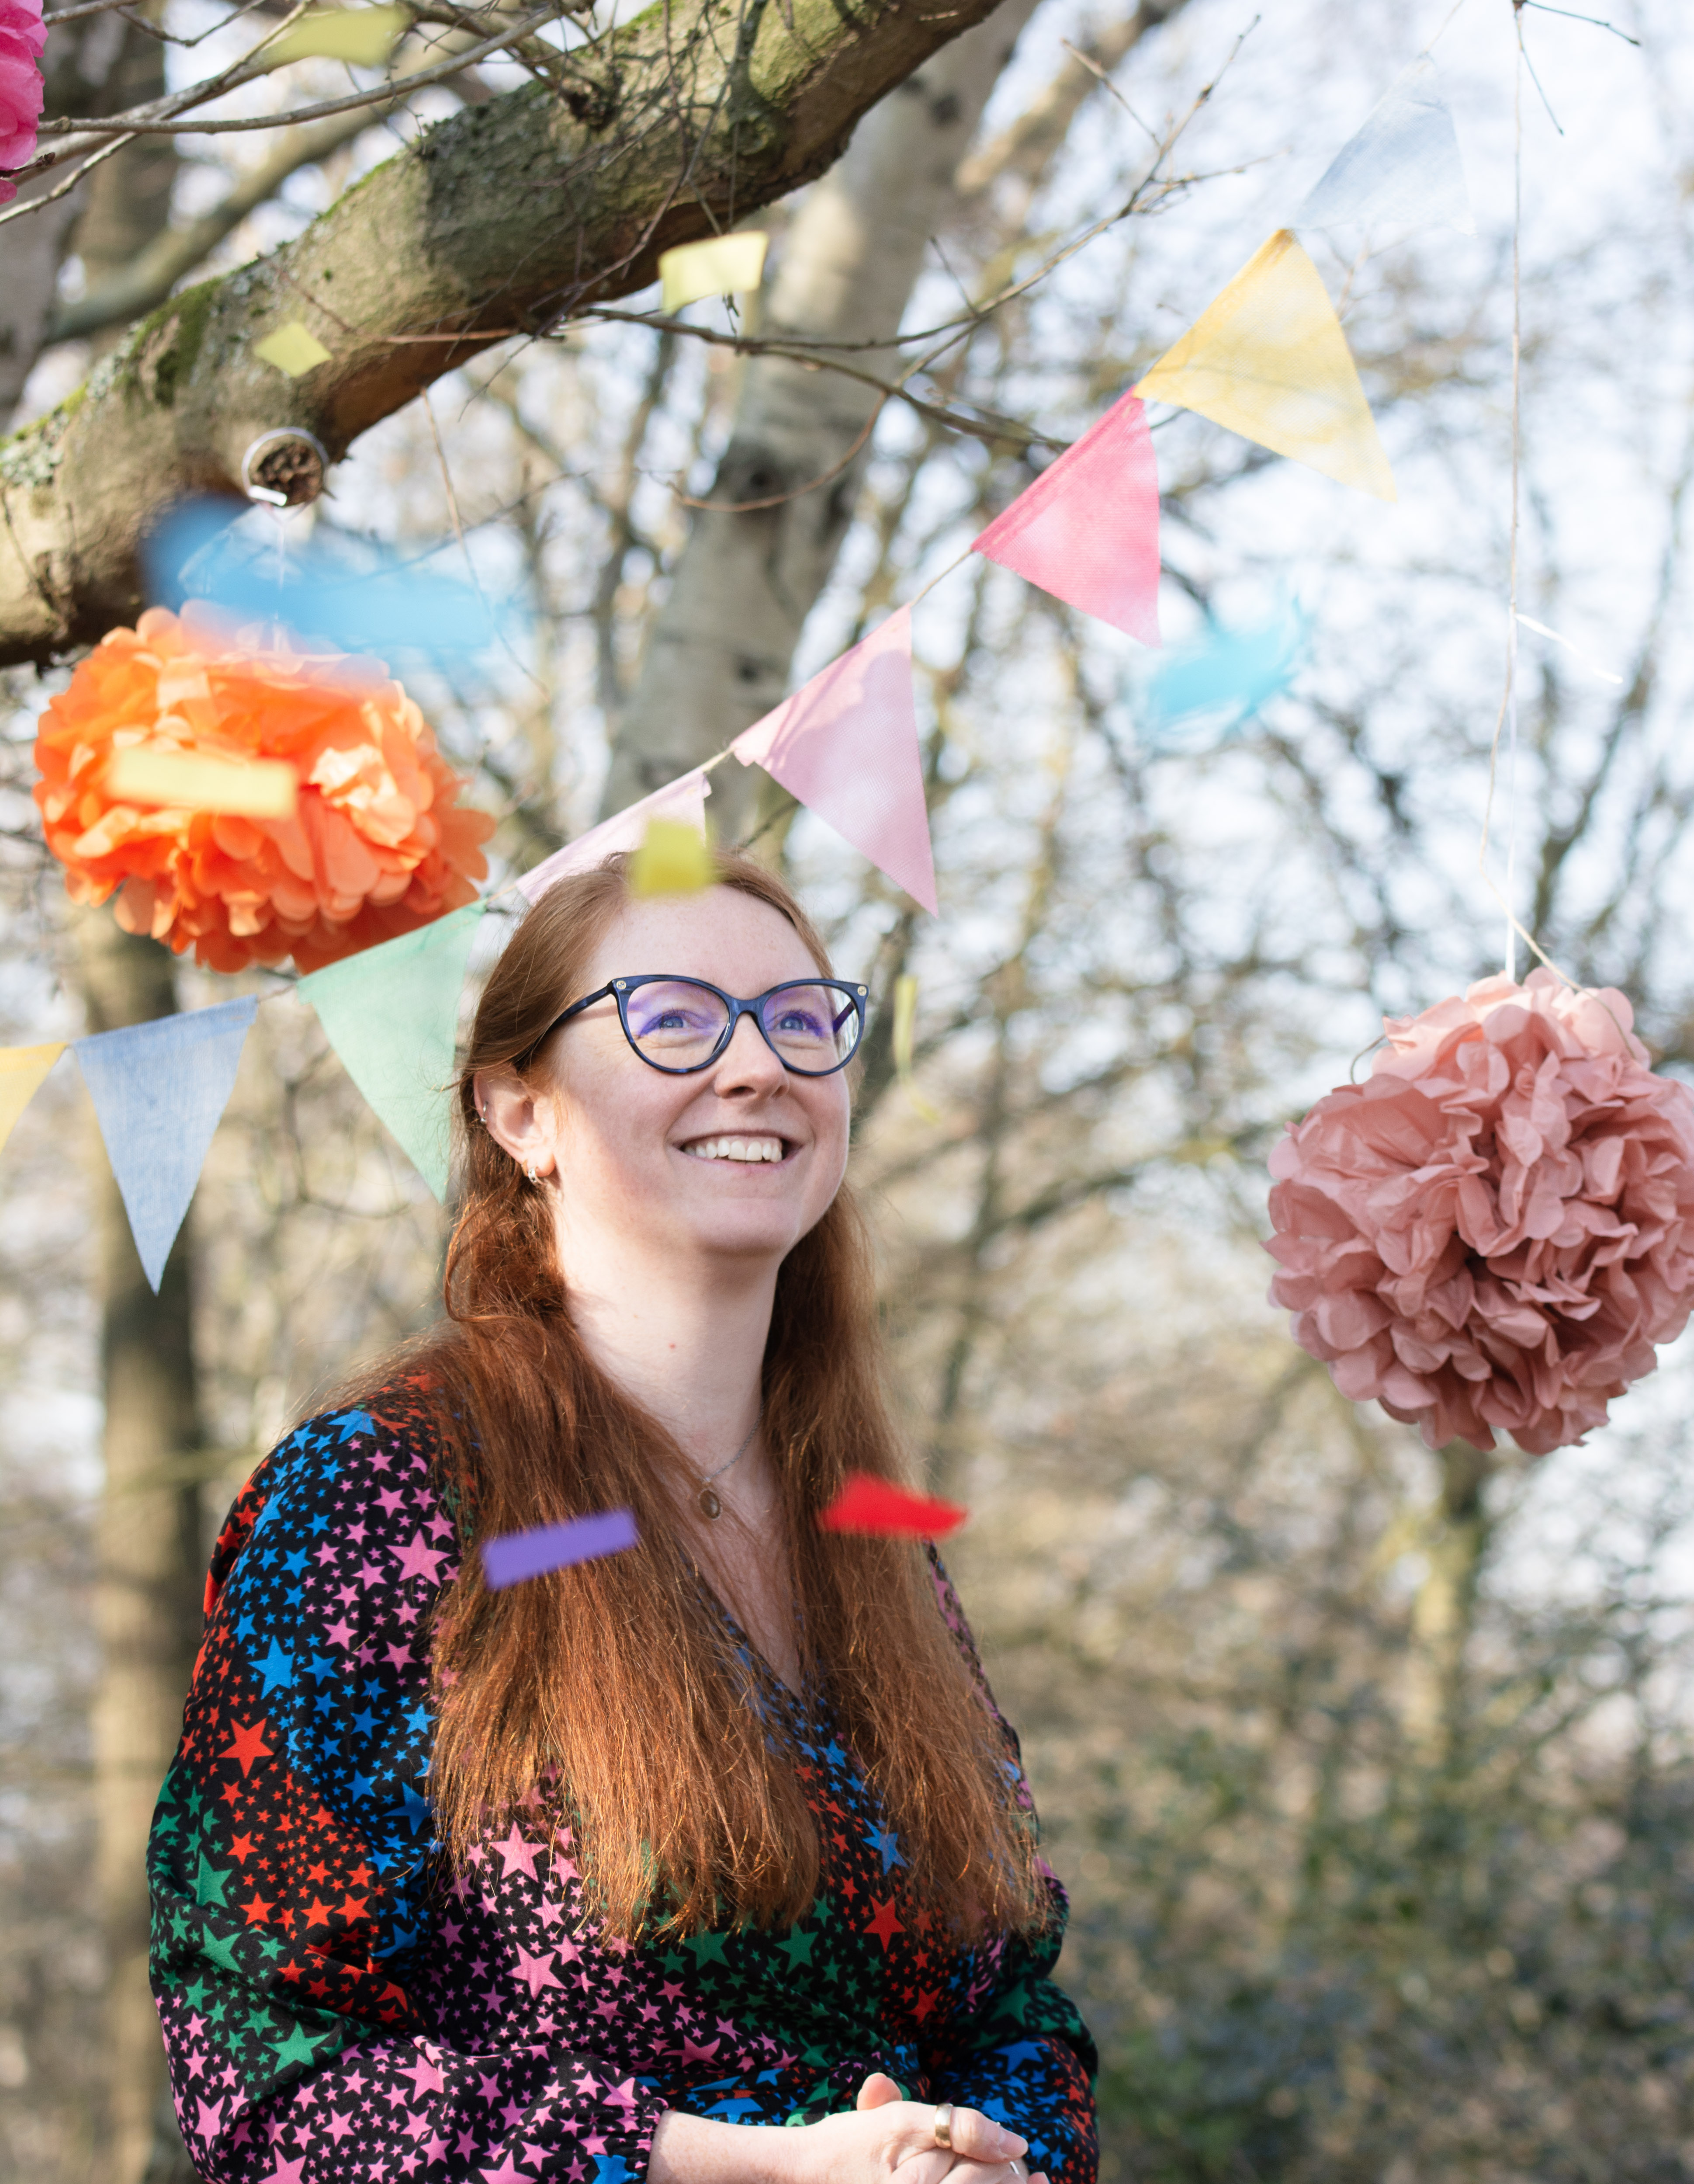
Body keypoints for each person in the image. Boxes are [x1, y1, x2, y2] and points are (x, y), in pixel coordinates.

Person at [149, 850, 1098, 2184]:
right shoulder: (389, 1507)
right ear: (518, 1113)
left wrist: (998, 2159)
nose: (758, 1064)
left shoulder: (872, 1535)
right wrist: (743, 2167)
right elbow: (267, 2065)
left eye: (801, 1018)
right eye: (673, 1018)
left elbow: (1012, 2000)